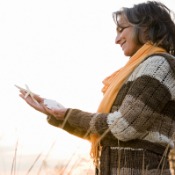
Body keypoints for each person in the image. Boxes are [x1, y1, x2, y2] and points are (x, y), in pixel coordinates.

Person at [17, 1, 175, 175]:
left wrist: (67, 114)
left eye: (121, 29)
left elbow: (124, 127)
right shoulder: (137, 69)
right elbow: (107, 134)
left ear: (145, 27)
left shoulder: (158, 64)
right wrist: (57, 114)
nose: (116, 40)